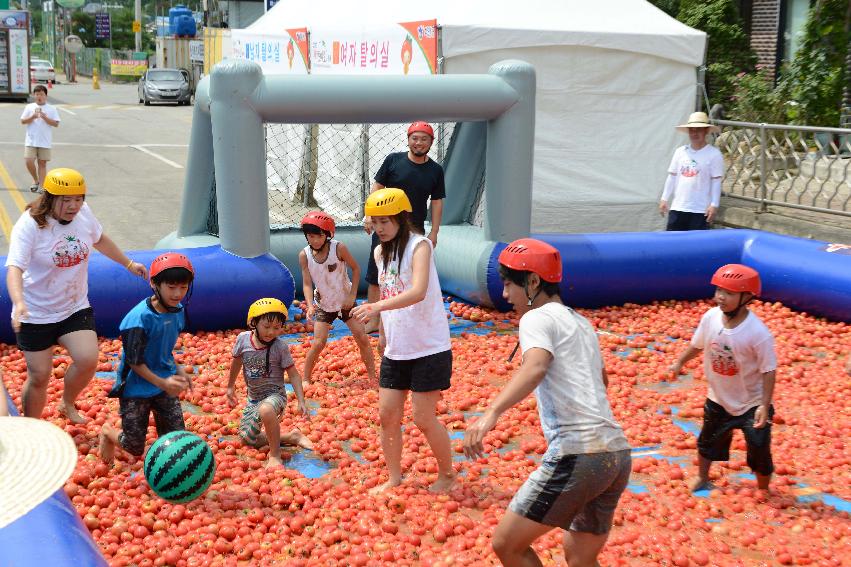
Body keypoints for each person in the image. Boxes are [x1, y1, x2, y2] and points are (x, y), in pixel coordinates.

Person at [464, 238, 631, 567]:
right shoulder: (581, 324)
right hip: (617, 454)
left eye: (510, 284)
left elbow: (537, 366)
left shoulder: (536, 318)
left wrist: (491, 413)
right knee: (580, 558)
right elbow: (603, 382)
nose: (506, 294)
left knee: (507, 545)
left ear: (534, 282)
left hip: (578, 454)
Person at [5, 168, 148, 424]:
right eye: (66, 199)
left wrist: (128, 264)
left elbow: (99, 239)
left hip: (73, 307)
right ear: (50, 198)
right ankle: (31, 428)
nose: (74, 206)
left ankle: (67, 402)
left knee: (87, 360)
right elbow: (14, 268)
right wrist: (19, 301)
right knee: (39, 376)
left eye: (78, 198)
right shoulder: (30, 225)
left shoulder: (84, 215)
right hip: (35, 312)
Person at [351, 188, 455, 494]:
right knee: (387, 416)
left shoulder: (419, 246)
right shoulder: (380, 253)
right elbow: (387, 290)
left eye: (385, 220)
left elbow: (419, 290)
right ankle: (394, 478)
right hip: (397, 348)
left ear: (400, 217)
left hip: (428, 347)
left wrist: (376, 308)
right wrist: (383, 333)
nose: (380, 227)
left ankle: (447, 474)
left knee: (423, 418)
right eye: (375, 221)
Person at [669, 264, 777, 492]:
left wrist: (764, 405)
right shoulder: (711, 317)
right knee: (707, 440)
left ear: (747, 297)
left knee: (759, 447)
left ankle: (763, 490)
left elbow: (769, 370)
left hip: (751, 403)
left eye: (729, 293)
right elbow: (698, 345)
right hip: (719, 397)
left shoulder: (758, 333)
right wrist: (680, 361)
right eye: (719, 290)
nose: (721, 297)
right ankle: (702, 477)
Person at [99, 253, 196, 463]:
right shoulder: (138, 319)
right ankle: (108, 432)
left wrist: (178, 371)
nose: (178, 293)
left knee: (176, 439)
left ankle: (170, 477)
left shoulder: (177, 311)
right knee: (134, 447)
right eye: (171, 287)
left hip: (164, 384)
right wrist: (164, 381)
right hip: (136, 387)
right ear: (154, 284)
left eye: (183, 287)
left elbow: (163, 348)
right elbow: (135, 362)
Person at [363, 121, 446, 332]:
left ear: (431, 142)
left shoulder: (435, 170)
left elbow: (436, 202)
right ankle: (374, 320)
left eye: (424, 139)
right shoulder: (393, 160)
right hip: (386, 225)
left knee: (408, 274)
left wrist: (434, 231)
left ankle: (408, 319)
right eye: (415, 138)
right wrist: (369, 216)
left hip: (414, 228)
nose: (419, 143)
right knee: (377, 273)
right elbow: (377, 187)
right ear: (408, 139)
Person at [226, 298, 312, 468]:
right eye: (266, 326)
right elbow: (236, 362)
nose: (271, 332)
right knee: (248, 440)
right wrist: (230, 387)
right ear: (254, 323)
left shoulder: (280, 347)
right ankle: (291, 437)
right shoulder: (243, 340)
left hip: (275, 396)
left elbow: (294, 375)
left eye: (277, 328)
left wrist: (301, 400)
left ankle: (275, 456)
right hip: (254, 398)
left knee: (266, 409)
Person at [298, 212, 376, 384]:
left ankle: (372, 377)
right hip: (324, 305)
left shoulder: (338, 248)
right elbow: (306, 283)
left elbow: (356, 269)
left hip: (345, 302)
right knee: (318, 343)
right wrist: (310, 305)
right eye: (310, 236)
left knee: (361, 337)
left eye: (318, 236)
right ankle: (305, 379)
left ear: (328, 235)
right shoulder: (304, 255)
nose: (315, 240)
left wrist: (352, 295)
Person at [659, 111, 724, 231]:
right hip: (678, 207)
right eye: (691, 130)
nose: (694, 133)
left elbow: (716, 181)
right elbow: (672, 176)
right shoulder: (680, 152)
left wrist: (714, 204)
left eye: (698, 130)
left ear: (705, 131)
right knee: (672, 242)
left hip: (700, 210)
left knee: (698, 246)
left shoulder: (714, 154)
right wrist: (664, 198)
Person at [20, 85, 60, 193]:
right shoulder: (29, 107)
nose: (39, 96)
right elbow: (23, 121)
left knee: (42, 164)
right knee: (29, 161)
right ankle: (35, 180)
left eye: (41, 94)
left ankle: (42, 186)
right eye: (37, 94)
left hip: (44, 141)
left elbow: (56, 124)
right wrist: (32, 117)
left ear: (46, 96)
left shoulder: (52, 108)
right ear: (34, 95)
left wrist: (44, 117)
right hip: (31, 140)